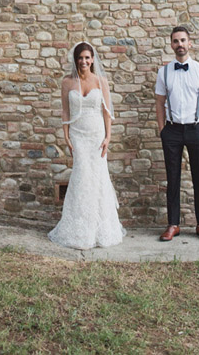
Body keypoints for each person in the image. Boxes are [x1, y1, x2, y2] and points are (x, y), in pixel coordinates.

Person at [48, 41, 126, 250]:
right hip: (78, 135)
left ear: (92, 60)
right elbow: (65, 111)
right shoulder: (67, 82)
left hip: (96, 134)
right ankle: (79, 229)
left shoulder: (101, 81)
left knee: (98, 177)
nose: (84, 61)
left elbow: (107, 111)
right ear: (75, 59)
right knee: (81, 176)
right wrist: (66, 135)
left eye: (87, 57)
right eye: (80, 57)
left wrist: (108, 137)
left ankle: (101, 229)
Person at [155, 26, 199, 242]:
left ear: (190, 43)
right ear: (171, 45)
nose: (179, 44)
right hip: (172, 130)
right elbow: (160, 103)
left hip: (196, 130)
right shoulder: (164, 72)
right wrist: (163, 130)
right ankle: (173, 224)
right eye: (175, 41)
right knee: (173, 178)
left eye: (183, 40)